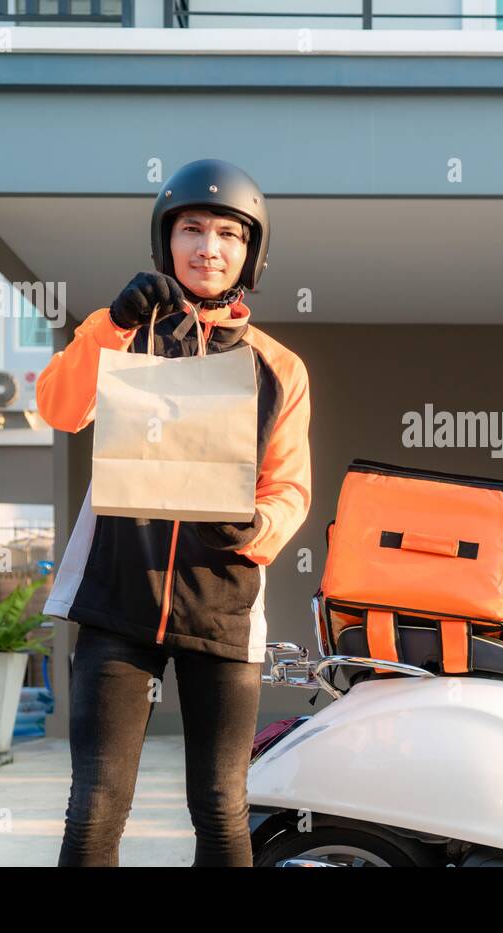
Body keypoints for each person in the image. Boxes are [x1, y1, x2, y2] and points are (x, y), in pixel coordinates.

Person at [36, 159, 311, 866]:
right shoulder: (121, 328)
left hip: (221, 605)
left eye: (227, 233)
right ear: (166, 240)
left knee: (222, 811)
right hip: (118, 597)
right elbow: (58, 408)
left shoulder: (278, 366)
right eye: (191, 228)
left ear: (251, 252)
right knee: (95, 807)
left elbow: (291, 488)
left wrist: (259, 529)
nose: (208, 247)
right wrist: (115, 324)